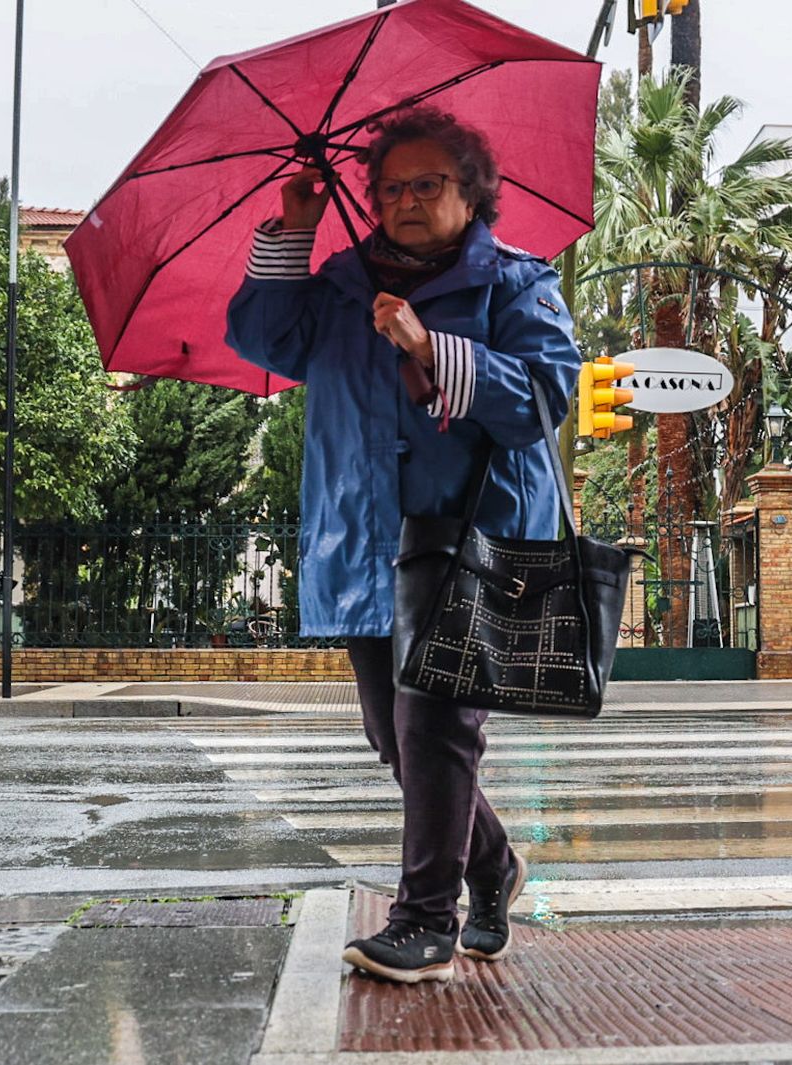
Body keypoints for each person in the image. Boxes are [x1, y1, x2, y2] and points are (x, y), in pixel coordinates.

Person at [227, 107, 581, 985]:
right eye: (391, 187)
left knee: (437, 723)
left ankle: (426, 918)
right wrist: (296, 232)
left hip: (473, 535)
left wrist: (436, 347)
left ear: (472, 193)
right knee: (393, 733)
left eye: (429, 184)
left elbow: (545, 394)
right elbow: (259, 337)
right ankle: (492, 862)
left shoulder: (516, 284)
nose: (407, 200)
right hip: (363, 537)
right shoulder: (342, 289)